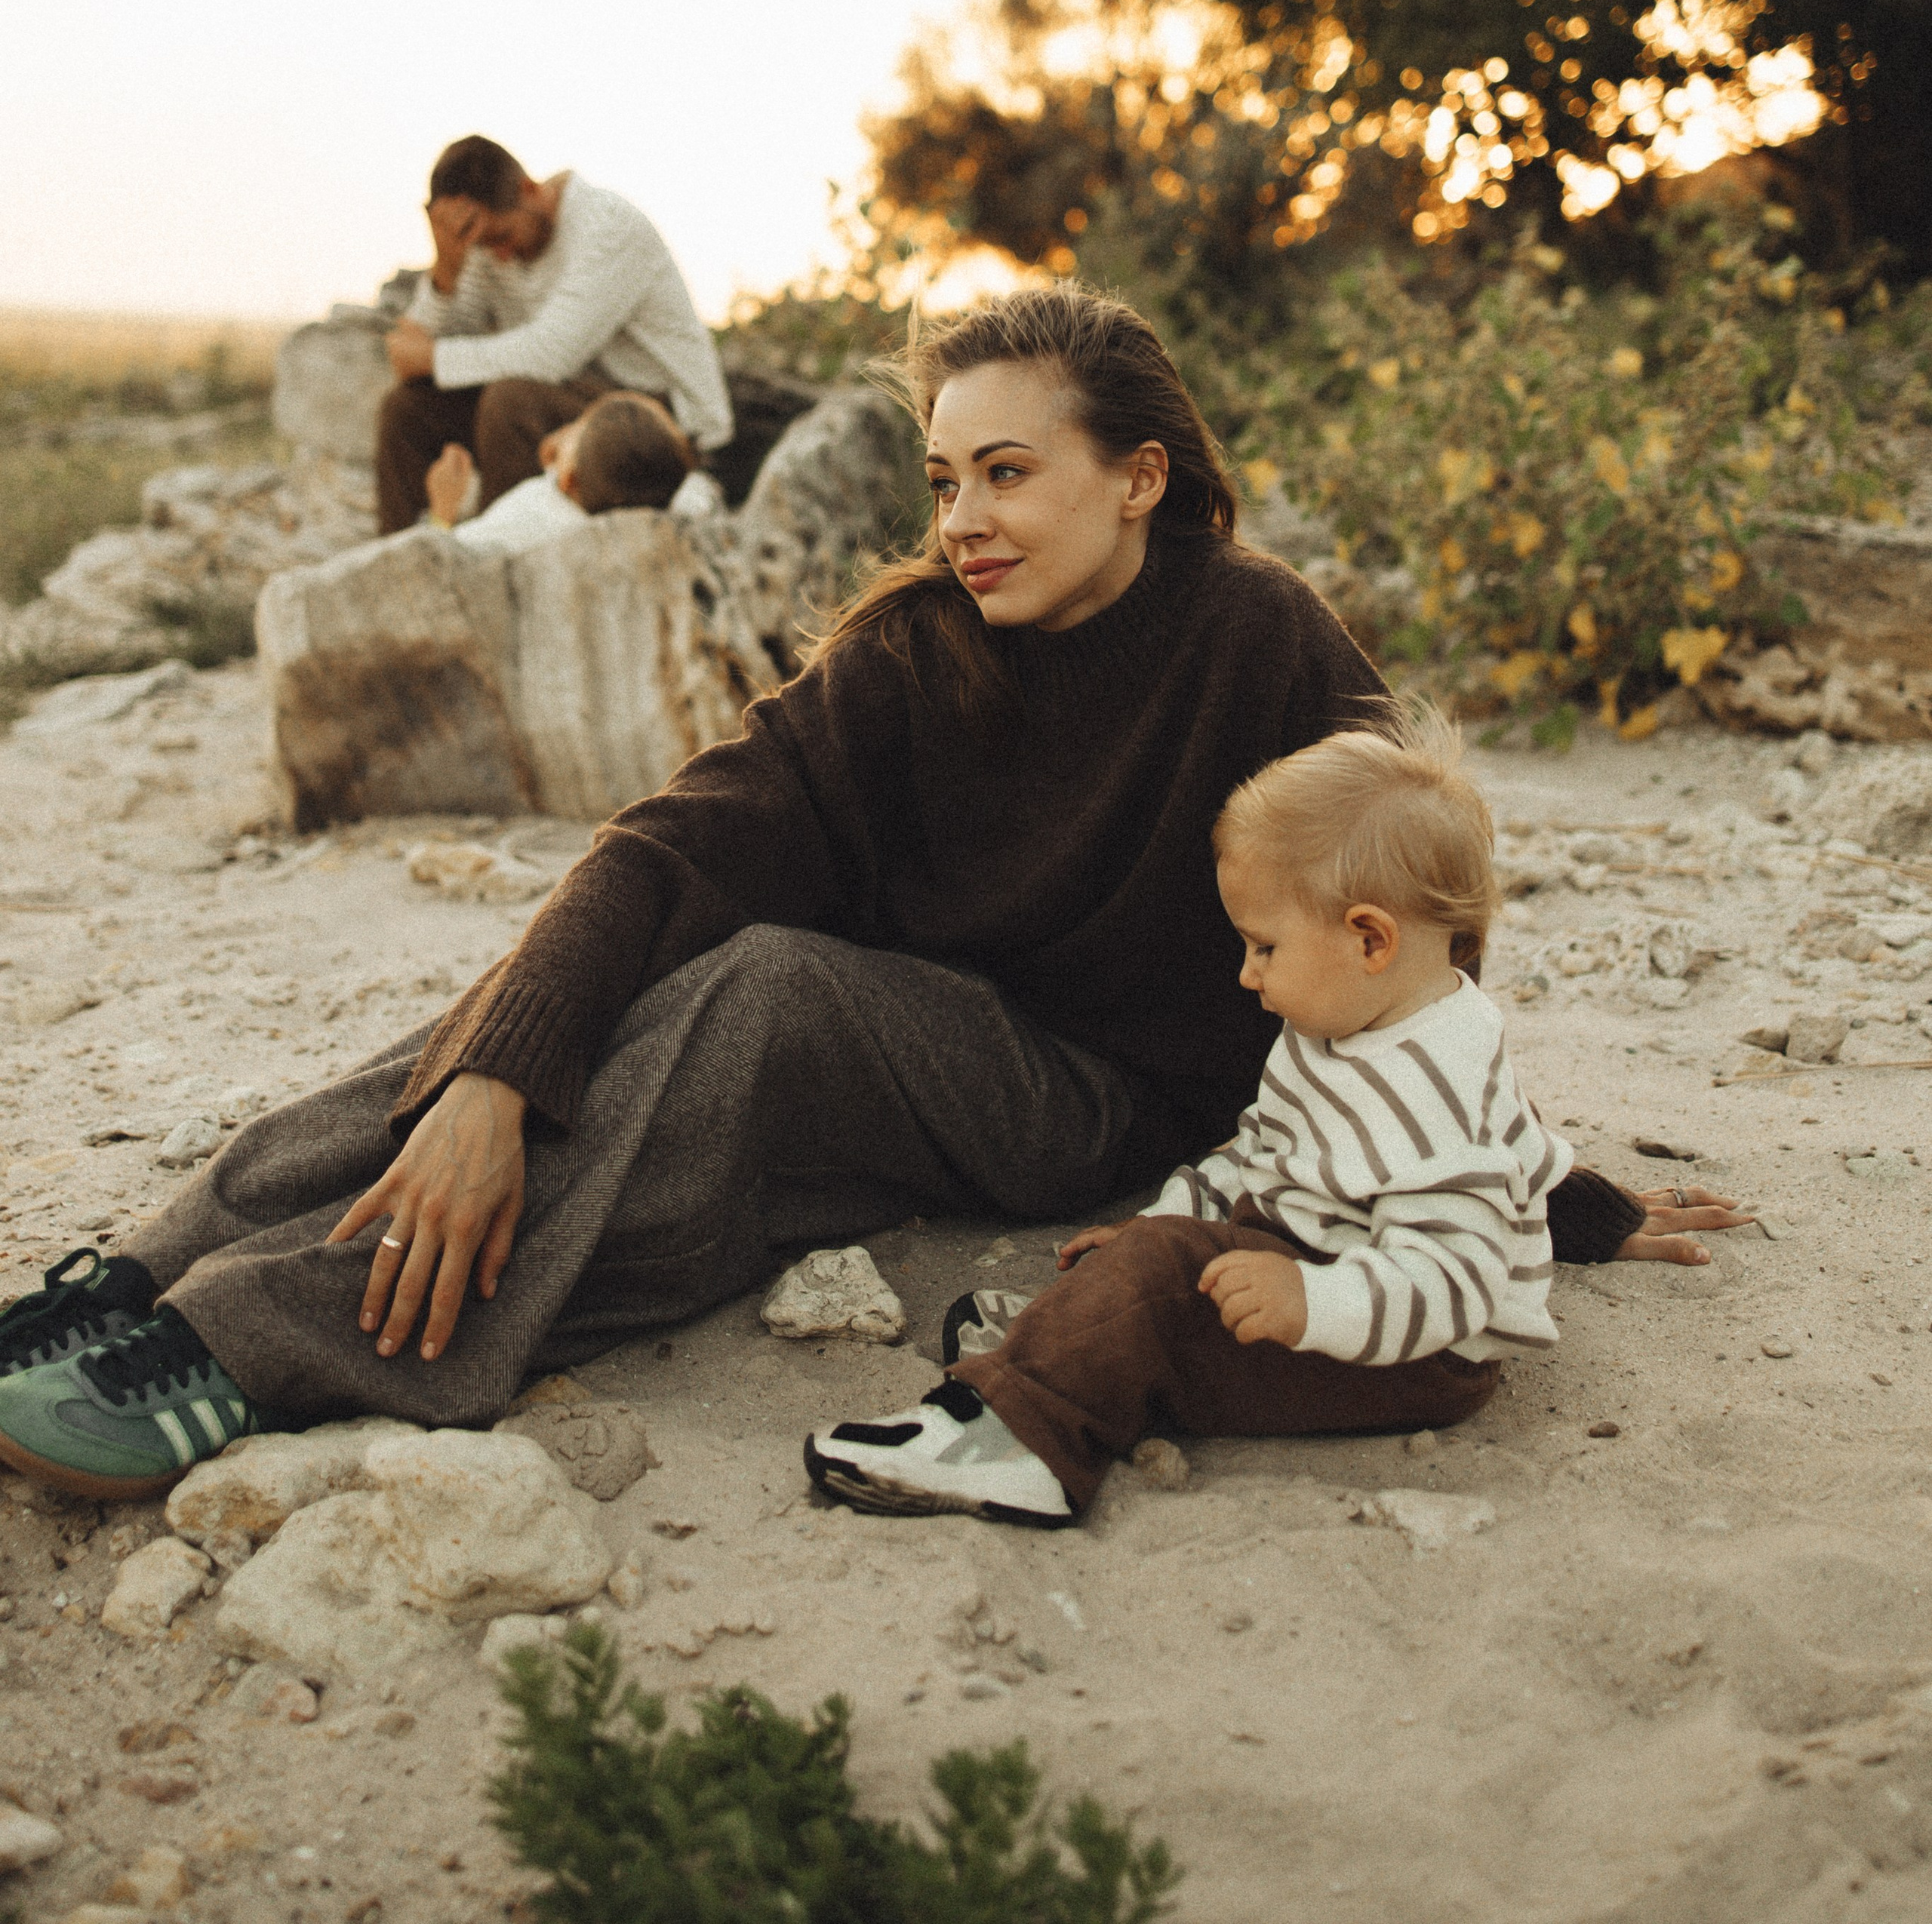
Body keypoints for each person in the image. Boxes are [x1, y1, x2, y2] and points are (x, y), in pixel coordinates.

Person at [0, 285, 1749, 1501]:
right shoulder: (921, 649)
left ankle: (246, 1346)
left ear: (1138, 473)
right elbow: (667, 840)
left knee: (759, 992)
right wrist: (485, 1078)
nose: (964, 517)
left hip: (1101, 1098)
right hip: (910, 1034)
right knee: (584, 1001)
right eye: (943, 476)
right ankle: (135, 1283)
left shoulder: (1259, 647)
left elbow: (1409, 945)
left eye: (1007, 471)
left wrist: (1546, 1193)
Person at [803, 707, 1595, 1526]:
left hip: (1411, 1349)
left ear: (1369, 940)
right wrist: (1164, 1223)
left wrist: (1312, 1304)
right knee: (1156, 1256)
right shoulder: (1346, 1024)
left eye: (1264, 948)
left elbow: (1458, 1278)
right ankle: (1090, 1337)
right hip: (1323, 1260)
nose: (1247, 976)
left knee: (1162, 1279)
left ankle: (1022, 1437)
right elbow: (1263, 1149)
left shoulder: (1434, 1088)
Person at [376, 136, 734, 536]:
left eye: (501, 239)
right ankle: (399, 561)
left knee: (510, 401)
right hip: (572, 396)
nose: (498, 257)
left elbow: (550, 355)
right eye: (480, 245)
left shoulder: (607, 226)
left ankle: (499, 554)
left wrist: (433, 357)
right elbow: (417, 346)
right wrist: (447, 265)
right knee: (408, 408)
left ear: (530, 190)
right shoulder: (489, 248)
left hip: (661, 419)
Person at [420, 389, 711, 558]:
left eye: (575, 427)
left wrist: (443, 511)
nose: (564, 431)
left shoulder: (531, 515)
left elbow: (440, 567)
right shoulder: (674, 505)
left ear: (569, 479)